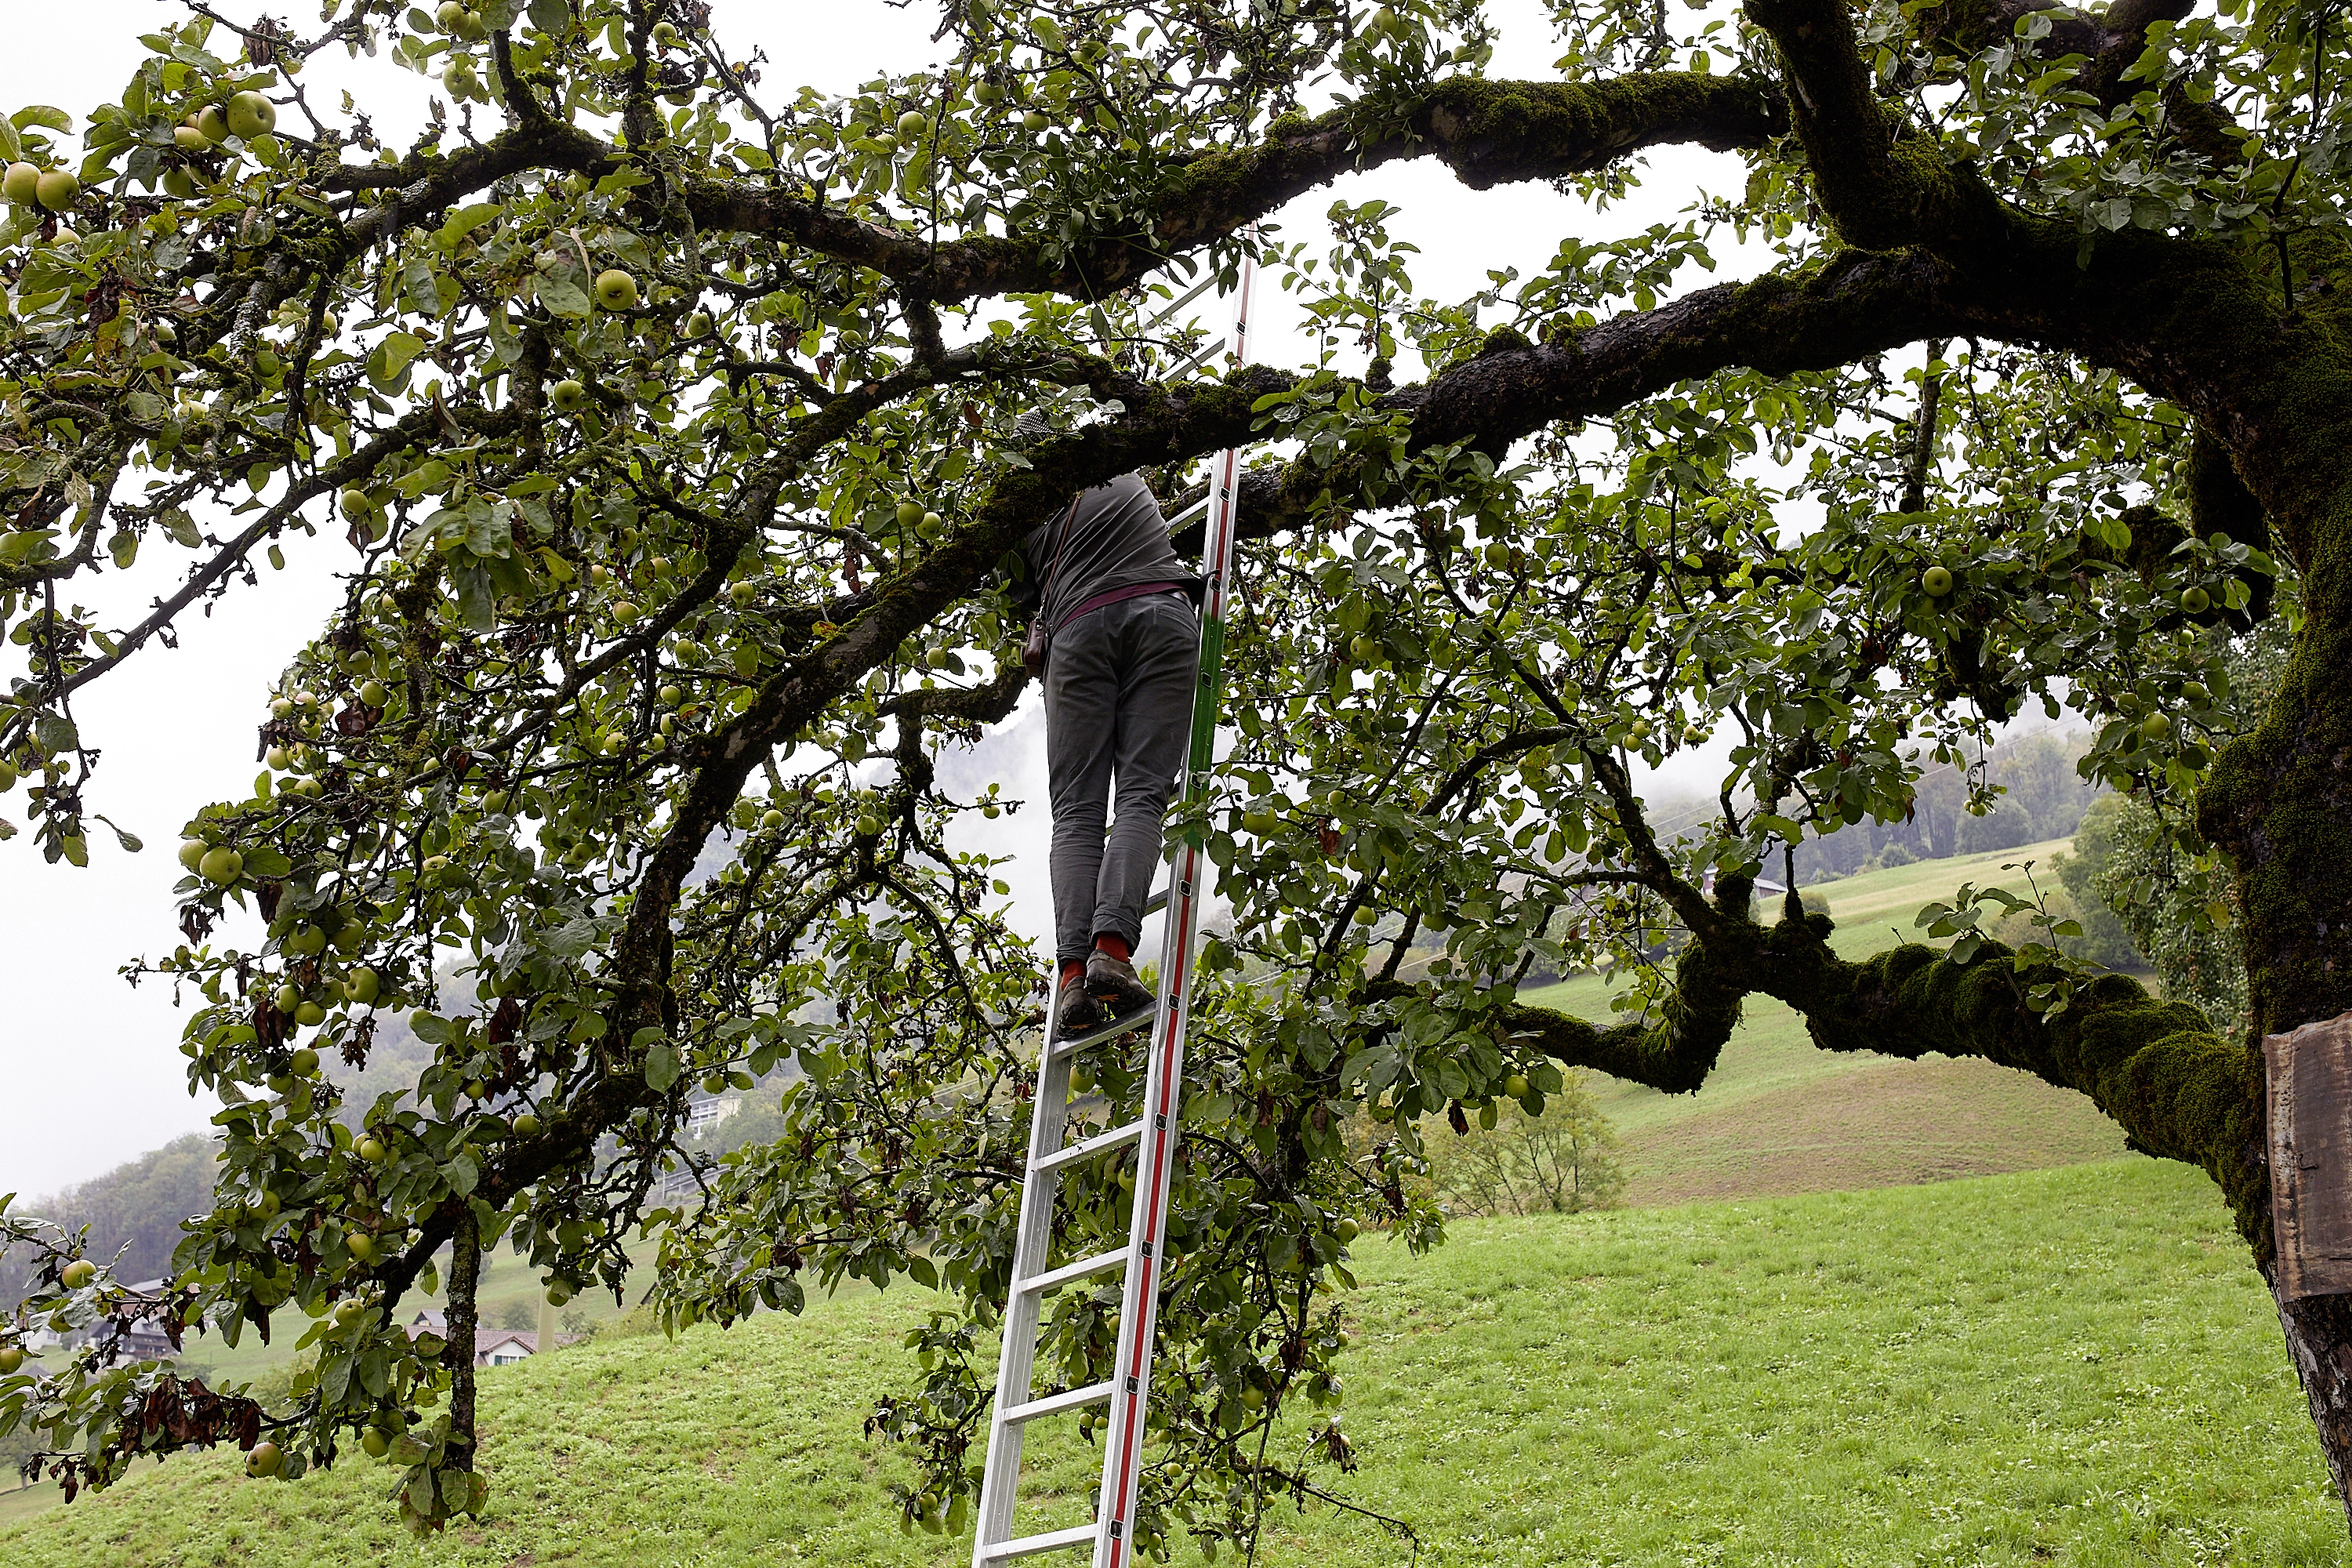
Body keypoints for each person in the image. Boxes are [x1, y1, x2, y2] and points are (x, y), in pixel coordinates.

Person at [1011, 462, 1202, 1035]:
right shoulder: (1123, 464)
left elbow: (1018, 598)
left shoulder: (1015, 520)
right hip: (1160, 616)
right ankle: (1111, 953)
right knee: (1143, 794)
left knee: (1076, 813)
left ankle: (1073, 979)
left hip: (1075, 635)